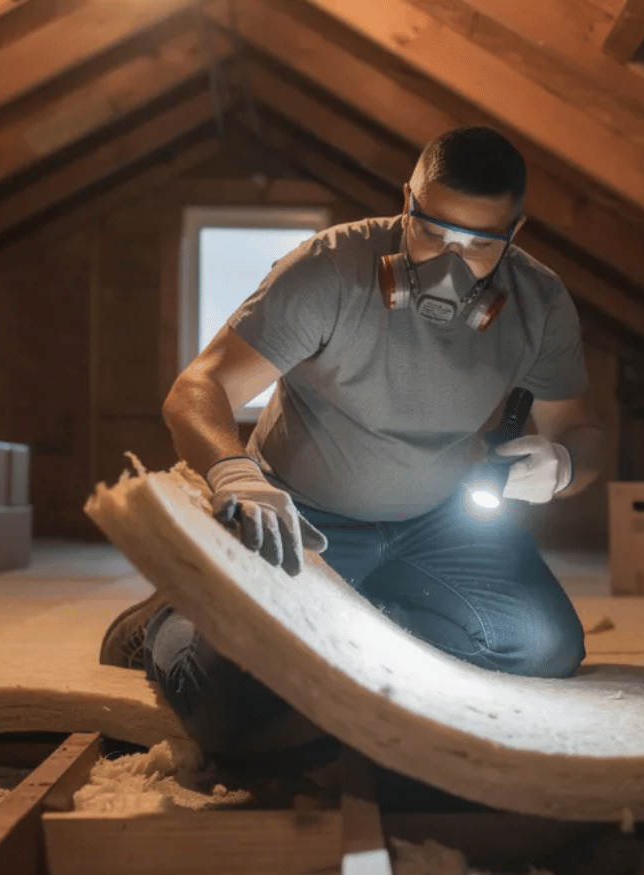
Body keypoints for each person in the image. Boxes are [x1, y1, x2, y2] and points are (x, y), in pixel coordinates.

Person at [101, 125, 604, 753]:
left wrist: (562, 464)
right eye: (433, 233)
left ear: (515, 232)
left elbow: (580, 433)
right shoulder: (330, 270)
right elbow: (198, 388)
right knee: (232, 700)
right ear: (407, 202)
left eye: (479, 246)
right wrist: (235, 474)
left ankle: (348, 624)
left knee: (544, 647)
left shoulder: (539, 303)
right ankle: (166, 620)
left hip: (438, 525)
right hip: (299, 516)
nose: (449, 266)